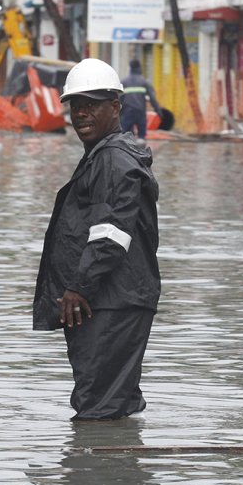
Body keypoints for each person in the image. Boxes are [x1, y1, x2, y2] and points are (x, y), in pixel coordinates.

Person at [34, 58, 160, 421]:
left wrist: (80, 287)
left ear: (116, 107)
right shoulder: (106, 155)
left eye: (92, 105)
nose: (81, 114)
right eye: (76, 106)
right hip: (109, 300)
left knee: (98, 407)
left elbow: (110, 233)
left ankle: (96, 458)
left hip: (110, 302)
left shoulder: (113, 160)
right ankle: (117, 454)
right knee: (109, 402)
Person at [119, 59, 161, 140]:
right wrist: (159, 112)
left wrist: (119, 114)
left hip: (127, 112)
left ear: (130, 68)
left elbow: (119, 98)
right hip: (140, 112)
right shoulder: (144, 82)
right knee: (141, 137)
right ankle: (141, 146)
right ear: (139, 68)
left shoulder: (124, 82)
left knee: (125, 136)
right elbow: (152, 98)